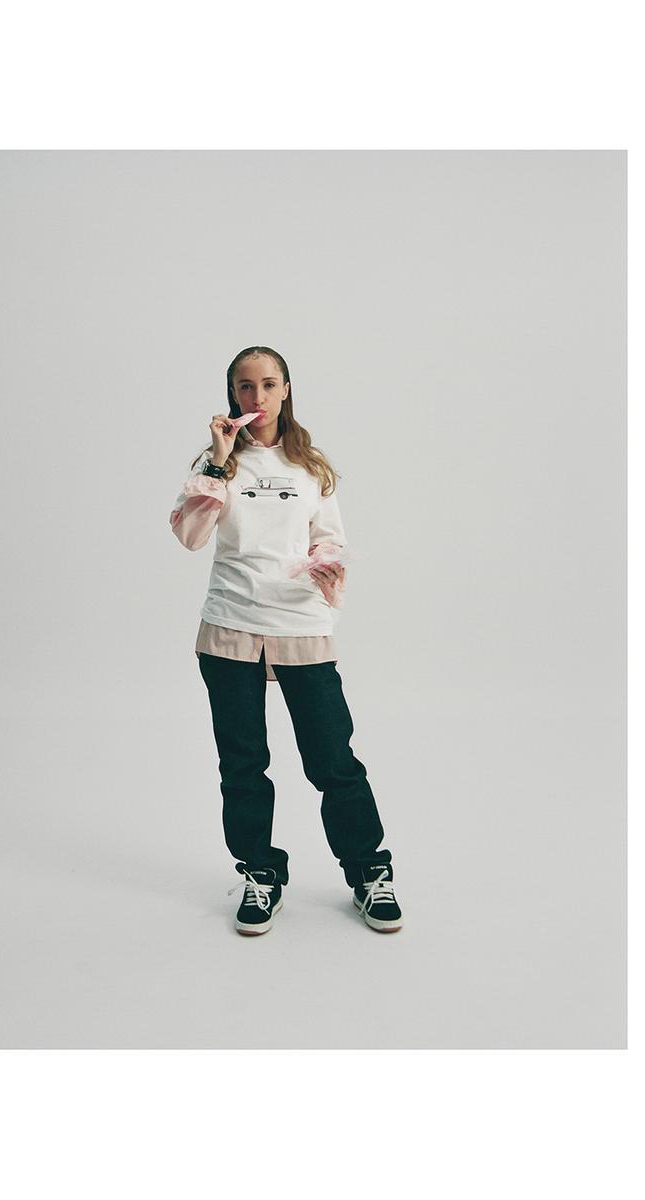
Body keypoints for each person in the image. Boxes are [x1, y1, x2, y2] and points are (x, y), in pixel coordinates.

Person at [169, 345, 402, 937]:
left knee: (333, 760)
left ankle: (368, 872)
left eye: (269, 384)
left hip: (300, 625)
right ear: (232, 395)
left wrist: (326, 562)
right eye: (245, 387)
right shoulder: (216, 464)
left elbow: (329, 536)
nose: (258, 397)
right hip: (230, 626)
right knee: (242, 764)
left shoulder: (311, 467)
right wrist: (219, 461)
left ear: (287, 389)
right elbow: (191, 535)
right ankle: (260, 873)